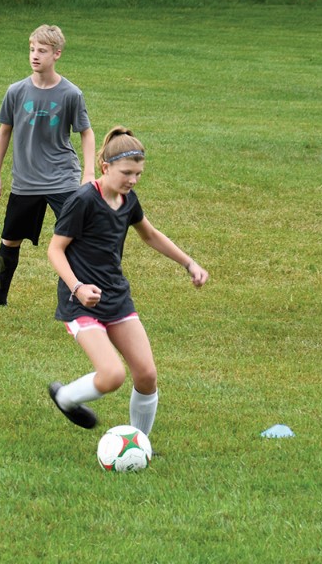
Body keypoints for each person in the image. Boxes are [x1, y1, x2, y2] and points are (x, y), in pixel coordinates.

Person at [46, 126, 208, 434]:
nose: (132, 180)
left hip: (116, 296)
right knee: (112, 375)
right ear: (105, 167)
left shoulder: (128, 200)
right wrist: (77, 288)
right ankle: (65, 397)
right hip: (80, 302)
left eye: (138, 174)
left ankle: (139, 443)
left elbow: (150, 235)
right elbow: (55, 250)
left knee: (146, 374)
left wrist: (189, 263)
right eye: (126, 173)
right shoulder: (83, 200)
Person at [0, 24, 96, 311]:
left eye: (42, 51)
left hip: (63, 179)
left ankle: (83, 297)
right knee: (10, 241)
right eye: (32, 49)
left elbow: (87, 132)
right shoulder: (16, 91)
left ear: (56, 54)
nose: (35, 55)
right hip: (26, 181)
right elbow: (4, 132)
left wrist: (89, 172)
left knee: (75, 240)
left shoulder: (71, 93)